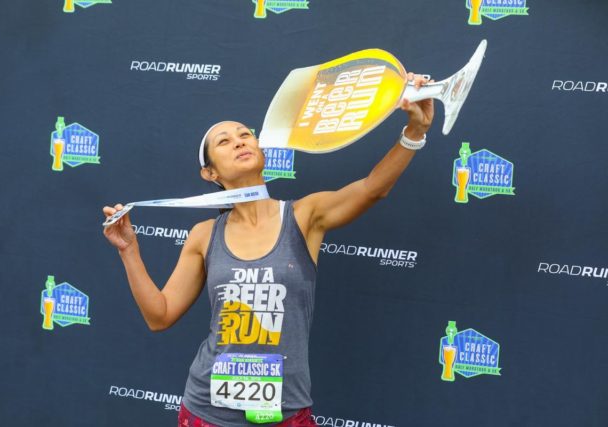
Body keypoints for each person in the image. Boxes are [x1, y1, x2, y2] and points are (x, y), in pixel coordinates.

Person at [102, 74, 434, 427]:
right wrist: (129, 250)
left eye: (245, 134)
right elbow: (160, 316)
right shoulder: (203, 235)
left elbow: (372, 189)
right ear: (209, 172)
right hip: (207, 412)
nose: (239, 142)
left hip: (285, 415)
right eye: (224, 141)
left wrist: (414, 131)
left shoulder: (304, 216)